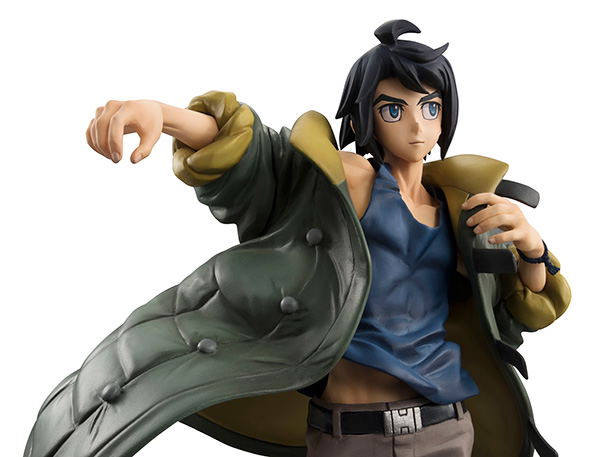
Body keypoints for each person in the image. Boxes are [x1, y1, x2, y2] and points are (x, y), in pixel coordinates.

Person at [24, 20, 570, 457]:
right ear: (366, 114)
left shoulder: (461, 207)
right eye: (393, 107)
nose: (416, 125)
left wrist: (533, 249)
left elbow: (519, 310)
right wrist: (164, 115)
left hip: (446, 430)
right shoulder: (352, 181)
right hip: (350, 435)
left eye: (431, 106)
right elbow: (260, 154)